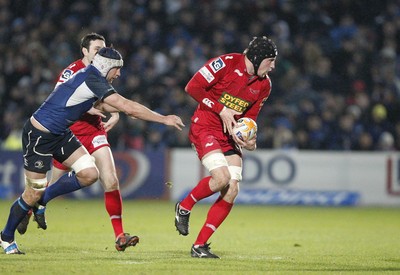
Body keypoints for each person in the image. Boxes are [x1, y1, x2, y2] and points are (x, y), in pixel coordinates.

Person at [0, 46, 185, 254]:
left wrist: (121, 110)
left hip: (60, 133)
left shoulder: (91, 76)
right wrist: (163, 119)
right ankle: (6, 237)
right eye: (117, 69)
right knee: (32, 192)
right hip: (39, 136)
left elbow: (105, 105)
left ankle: (43, 198)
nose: (119, 73)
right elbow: (128, 106)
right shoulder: (93, 78)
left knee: (90, 174)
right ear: (106, 66)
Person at [16, 33, 137, 252]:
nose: (100, 53)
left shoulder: (102, 73)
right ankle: (30, 208)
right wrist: (100, 108)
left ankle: (119, 235)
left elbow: (111, 98)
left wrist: (117, 112)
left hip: (95, 131)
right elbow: (61, 102)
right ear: (85, 51)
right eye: (96, 49)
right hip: (69, 134)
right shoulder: (71, 72)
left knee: (110, 179)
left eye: (103, 49)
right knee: (47, 187)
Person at [174, 36, 277, 258]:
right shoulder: (227, 63)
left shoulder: (264, 85)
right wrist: (220, 109)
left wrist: (250, 140)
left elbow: (250, 118)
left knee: (232, 189)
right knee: (220, 178)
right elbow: (192, 87)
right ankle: (184, 206)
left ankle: (199, 245)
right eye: (270, 61)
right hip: (205, 127)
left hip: (229, 134)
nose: (273, 66)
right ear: (257, 58)